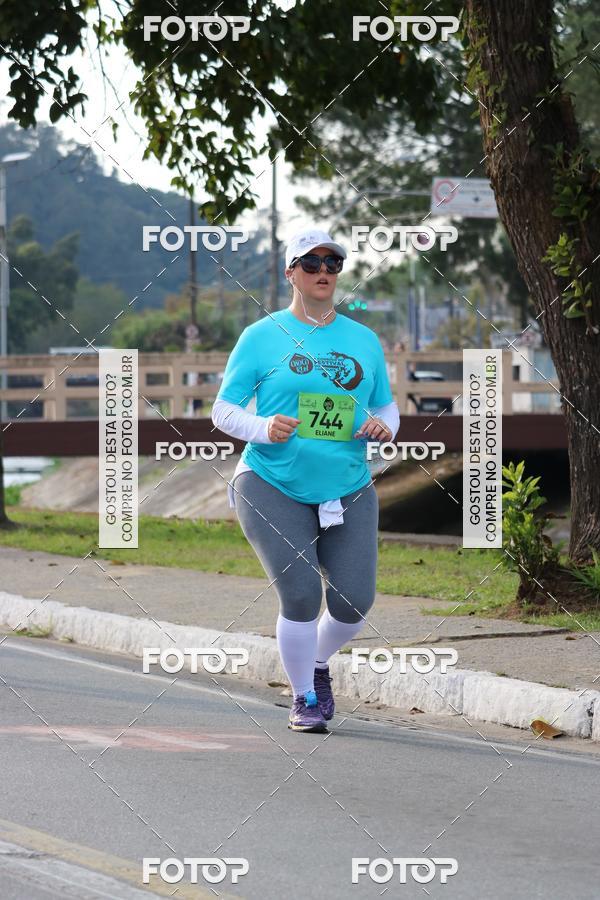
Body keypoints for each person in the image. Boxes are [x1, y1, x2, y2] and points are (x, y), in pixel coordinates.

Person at [211, 228, 400, 732]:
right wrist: (263, 427)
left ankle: (315, 661)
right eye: (310, 263)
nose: (322, 272)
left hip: (349, 483)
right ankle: (303, 698)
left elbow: (385, 404)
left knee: (354, 601)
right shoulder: (261, 336)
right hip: (270, 481)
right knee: (299, 595)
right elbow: (223, 411)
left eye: (332, 264)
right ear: (289, 272)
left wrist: (385, 428)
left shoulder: (363, 339)